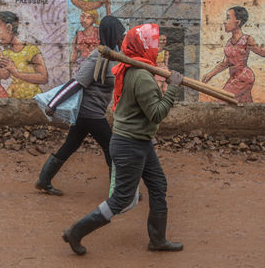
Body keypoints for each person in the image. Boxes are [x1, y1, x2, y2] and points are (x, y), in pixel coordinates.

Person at [62, 23, 184, 255]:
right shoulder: (142, 77)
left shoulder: (132, 69)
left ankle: (158, 239)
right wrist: (172, 89)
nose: (157, 49)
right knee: (122, 200)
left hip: (139, 141)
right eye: (154, 45)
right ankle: (76, 231)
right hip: (131, 144)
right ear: (144, 47)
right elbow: (157, 114)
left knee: (158, 185)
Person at [34, 15, 126, 196]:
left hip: (90, 113)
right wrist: (54, 103)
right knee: (111, 148)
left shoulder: (114, 55)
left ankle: (44, 180)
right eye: (120, 35)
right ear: (112, 35)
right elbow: (76, 83)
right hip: (90, 112)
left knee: (71, 144)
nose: (122, 38)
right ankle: (119, 192)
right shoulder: (98, 56)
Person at [202, 6, 265, 103]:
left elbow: (262, 52)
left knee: (221, 100)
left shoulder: (246, 39)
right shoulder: (229, 43)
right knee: (246, 107)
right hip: (235, 77)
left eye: (228, 18)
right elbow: (225, 63)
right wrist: (210, 74)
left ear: (237, 22)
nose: (225, 22)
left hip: (243, 77)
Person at [0, 11, 48, 99]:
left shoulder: (31, 50)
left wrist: (16, 73)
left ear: (9, 28)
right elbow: (5, 75)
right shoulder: (6, 53)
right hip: (14, 98)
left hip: (32, 98)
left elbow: (43, 78)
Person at [70, 10, 101, 76]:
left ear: (93, 20)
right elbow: (74, 52)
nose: (84, 20)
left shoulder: (98, 32)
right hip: (80, 65)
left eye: (88, 18)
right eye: (82, 17)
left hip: (95, 64)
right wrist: (72, 67)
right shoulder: (78, 34)